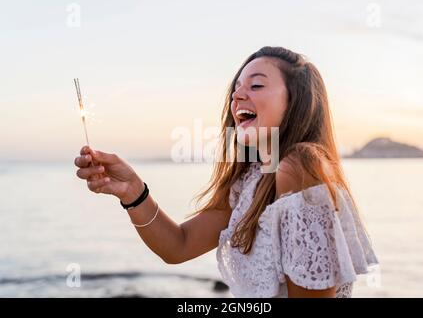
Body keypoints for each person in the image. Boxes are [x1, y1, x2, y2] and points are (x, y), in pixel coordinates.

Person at [74, 46, 378, 298]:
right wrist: (132, 191)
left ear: (296, 102)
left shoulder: (299, 168)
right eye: (236, 89)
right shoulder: (250, 182)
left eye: (256, 85)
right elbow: (178, 245)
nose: (237, 96)